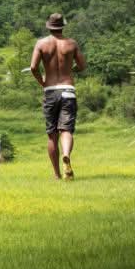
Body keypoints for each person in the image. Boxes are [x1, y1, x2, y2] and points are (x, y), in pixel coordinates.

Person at [30, 12, 85, 180]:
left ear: (49, 26)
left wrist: (43, 82)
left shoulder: (41, 44)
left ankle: (56, 174)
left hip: (50, 91)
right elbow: (82, 66)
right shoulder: (71, 44)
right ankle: (66, 154)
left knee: (52, 134)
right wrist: (70, 70)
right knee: (66, 129)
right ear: (63, 26)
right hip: (68, 90)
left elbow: (33, 67)